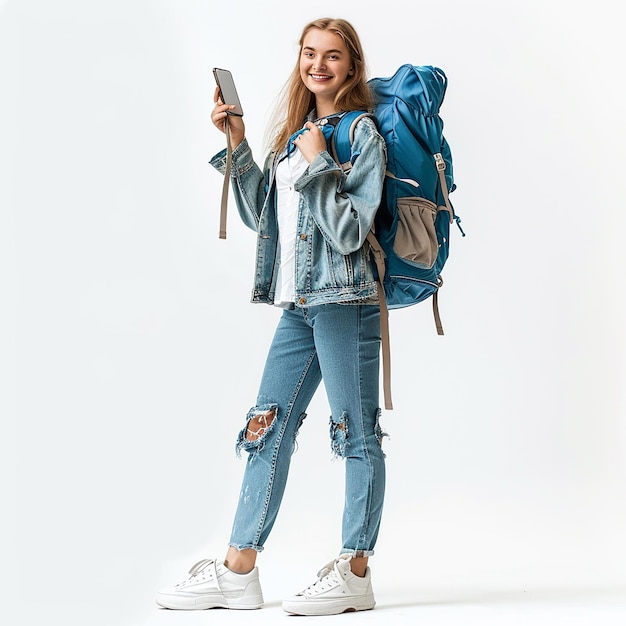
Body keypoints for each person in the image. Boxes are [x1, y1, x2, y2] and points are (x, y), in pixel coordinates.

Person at [156, 17, 388, 617]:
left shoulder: (362, 135)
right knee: (264, 431)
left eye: (332, 56)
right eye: (310, 54)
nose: (318, 66)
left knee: (354, 435)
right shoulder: (296, 132)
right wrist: (236, 143)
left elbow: (350, 231)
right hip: (298, 307)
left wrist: (317, 164)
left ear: (351, 66)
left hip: (345, 304)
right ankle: (238, 571)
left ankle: (355, 570)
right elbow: (266, 219)